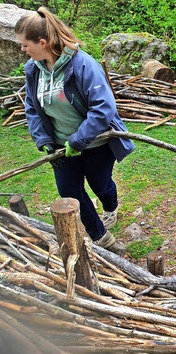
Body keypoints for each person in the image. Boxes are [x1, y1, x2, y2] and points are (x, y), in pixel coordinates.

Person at [16, 7, 133, 254]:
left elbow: (104, 109)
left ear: (43, 42)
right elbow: (32, 107)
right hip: (60, 146)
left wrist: (79, 139)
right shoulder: (33, 69)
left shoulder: (83, 65)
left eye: (25, 45)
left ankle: (111, 206)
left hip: (95, 143)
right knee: (69, 191)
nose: (23, 50)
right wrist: (43, 139)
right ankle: (101, 237)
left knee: (100, 185)